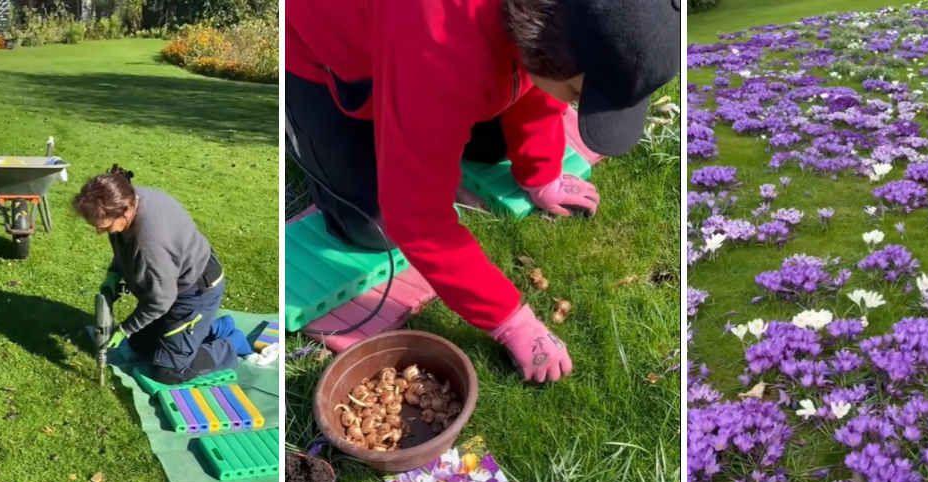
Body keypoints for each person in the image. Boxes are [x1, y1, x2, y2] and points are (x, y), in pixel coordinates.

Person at [286, 0, 680, 383]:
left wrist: (540, 171)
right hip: (326, 53)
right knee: (374, 228)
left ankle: (439, 121)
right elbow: (418, 220)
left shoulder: (552, 25)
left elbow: (540, 80)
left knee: (493, 146)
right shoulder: (437, 47)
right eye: (578, 95)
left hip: (434, 50)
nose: (575, 102)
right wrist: (510, 320)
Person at [73, 166, 252, 384]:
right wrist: (114, 273)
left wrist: (125, 329)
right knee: (141, 346)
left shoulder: (149, 243)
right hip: (174, 282)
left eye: (105, 226)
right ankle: (215, 327)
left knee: (168, 371)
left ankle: (232, 343)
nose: (99, 232)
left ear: (126, 211)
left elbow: (161, 301)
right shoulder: (129, 198)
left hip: (195, 293)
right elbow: (124, 247)